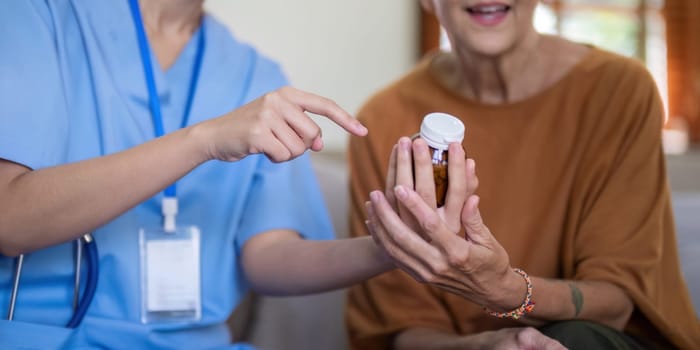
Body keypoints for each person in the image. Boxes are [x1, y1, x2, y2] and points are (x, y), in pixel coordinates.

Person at [0, 1, 393, 349]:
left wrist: (385, 248)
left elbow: (268, 254)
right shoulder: (38, 13)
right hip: (51, 335)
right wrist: (203, 140)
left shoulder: (255, 75)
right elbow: (10, 221)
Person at [346, 0, 700, 349]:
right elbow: (400, 329)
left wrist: (505, 290)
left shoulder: (620, 90)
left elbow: (616, 302)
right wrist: (483, 346)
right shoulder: (381, 122)